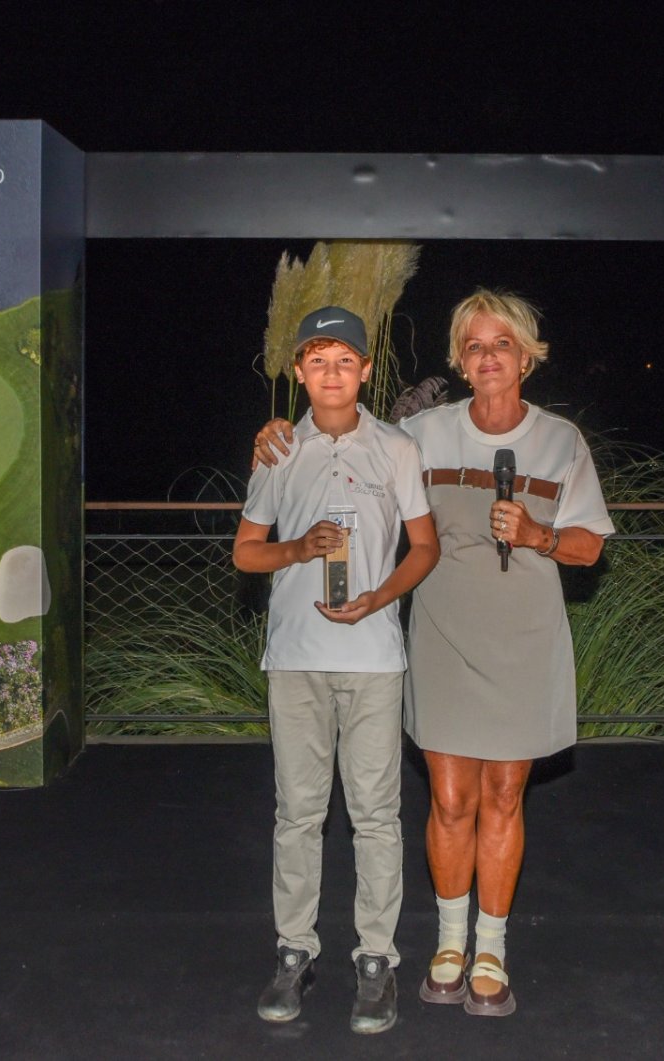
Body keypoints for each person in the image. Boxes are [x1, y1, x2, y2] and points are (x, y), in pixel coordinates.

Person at [255, 289, 613, 1018]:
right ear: (459, 359)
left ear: (527, 357)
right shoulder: (420, 433)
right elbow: (347, 430)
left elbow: (590, 547)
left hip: (524, 637)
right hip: (444, 635)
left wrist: (538, 534)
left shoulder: (561, 441)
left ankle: (491, 947)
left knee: (504, 796)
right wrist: (276, 429)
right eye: (474, 345)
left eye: (502, 344)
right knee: (449, 800)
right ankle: (449, 944)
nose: (488, 357)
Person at [233, 306, 439, 1035]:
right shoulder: (278, 449)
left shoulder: (397, 447)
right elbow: (246, 551)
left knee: (377, 815)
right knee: (298, 812)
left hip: (374, 659)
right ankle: (294, 950)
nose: (331, 373)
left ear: (365, 370)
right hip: (295, 657)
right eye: (317, 360)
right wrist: (298, 549)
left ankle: (376, 959)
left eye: (345, 360)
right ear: (299, 371)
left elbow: (424, 546)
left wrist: (379, 598)